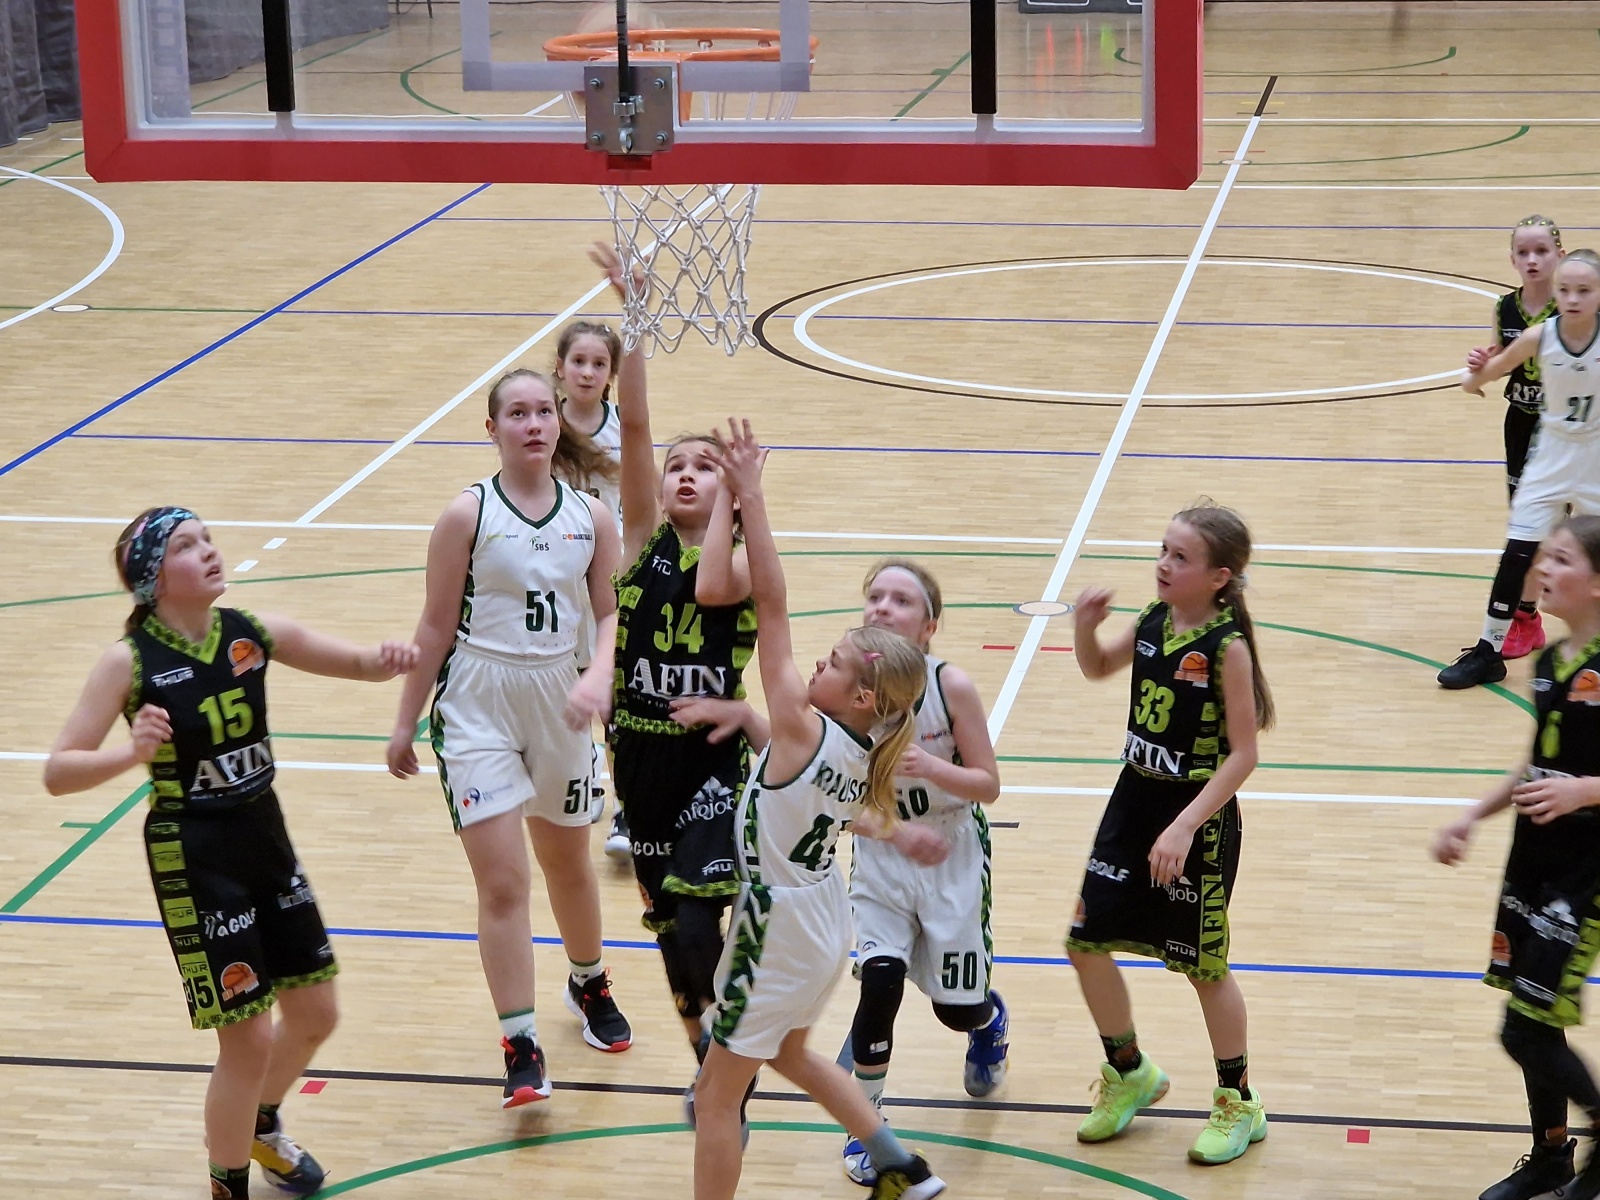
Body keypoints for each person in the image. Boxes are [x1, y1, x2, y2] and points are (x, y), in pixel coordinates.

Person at [44, 507, 420, 1200]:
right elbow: (58, 772)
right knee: (246, 1041)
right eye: (187, 546)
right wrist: (130, 752)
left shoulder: (248, 632)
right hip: (195, 858)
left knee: (316, 1014)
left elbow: (357, 663)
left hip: (263, 837)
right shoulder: (129, 662)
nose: (210, 551)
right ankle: (228, 1183)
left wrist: (390, 658)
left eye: (208, 539)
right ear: (153, 579)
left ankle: (259, 1122)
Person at [688, 420, 950, 1200]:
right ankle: (901, 1166)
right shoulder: (860, 751)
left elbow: (770, 601)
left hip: (775, 924)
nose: (816, 664)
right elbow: (838, 811)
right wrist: (899, 832)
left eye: (831, 663)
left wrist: (751, 495)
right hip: (823, 920)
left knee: (716, 1097)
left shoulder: (802, 729)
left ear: (860, 696)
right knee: (794, 1056)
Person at [386, 367, 632, 1109]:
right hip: (478, 701)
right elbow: (434, 624)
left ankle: (589, 981)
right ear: (492, 429)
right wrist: (404, 720)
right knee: (502, 882)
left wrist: (599, 674)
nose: (533, 424)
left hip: (560, 695)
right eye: (517, 414)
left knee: (569, 864)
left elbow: (609, 613)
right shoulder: (466, 514)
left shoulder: (593, 516)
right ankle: (519, 1043)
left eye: (543, 412)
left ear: (559, 422)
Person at [590, 243, 759, 1064]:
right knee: (672, 937)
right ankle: (708, 1063)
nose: (687, 475)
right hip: (638, 759)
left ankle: (729, 1057)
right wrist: (634, 317)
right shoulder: (638, 543)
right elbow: (634, 426)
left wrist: (737, 497)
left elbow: (714, 586)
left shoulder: (744, 565)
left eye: (705, 469)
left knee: (697, 920)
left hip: (710, 761)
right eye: (677, 469)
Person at [1066, 500, 1275, 1165]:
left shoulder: (1227, 648)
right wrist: (1084, 628)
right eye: (1163, 550)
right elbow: (1098, 667)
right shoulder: (1154, 618)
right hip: (1133, 802)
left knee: (1204, 968)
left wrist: (1184, 827)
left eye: (1180, 557)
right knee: (1084, 941)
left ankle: (1239, 1100)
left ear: (1219, 577)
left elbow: (1244, 755)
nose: (1163, 564)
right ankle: (1129, 1071)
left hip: (1196, 819)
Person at [1432, 515, 1600, 1200]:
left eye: (1560, 560)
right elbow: (1536, 764)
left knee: (1525, 1029)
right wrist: (1472, 815)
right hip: (1533, 859)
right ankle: (1551, 1156)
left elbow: (1574, 781)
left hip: (1587, 875)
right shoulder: (1553, 662)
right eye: (1544, 558)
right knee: (1531, 1017)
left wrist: (1587, 790)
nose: (1542, 570)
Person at [840, 559, 1005, 1185]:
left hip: (951, 851)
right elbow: (832, 800)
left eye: (901, 600)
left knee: (955, 1011)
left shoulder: (950, 685)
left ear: (929, 626)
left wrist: (932, 768)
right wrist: (890, 830)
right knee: (879, 981)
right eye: (875, 596)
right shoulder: (844, 690)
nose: (883, 607)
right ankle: (869, 1130)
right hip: (883, 854)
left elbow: (988, 784)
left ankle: (988, 1020)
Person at [1443, 250, 1600, 689]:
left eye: (1584, 291)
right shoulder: (1540, 336)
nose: (1572, 299)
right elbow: (1480, 379)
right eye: (1564, 290)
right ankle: (1488, 651)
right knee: (1518, 551)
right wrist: (1474, 372)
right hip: (1552, 453)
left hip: (1596, 455)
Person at [1464, 215, 1564, 660]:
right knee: (1528, 526)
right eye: (1523, 252)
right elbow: (1500, 359)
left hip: (1565, 430)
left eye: (1541, 251)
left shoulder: (1574, 307)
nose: (1532, 260)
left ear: (1560, 255)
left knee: (1556, 528)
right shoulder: (1505, 307)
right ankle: (1526, 616)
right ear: (1512, 260)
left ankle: (1530, 613)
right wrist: (1480, 363)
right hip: (1521, 423)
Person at [551, 318, 630, 854]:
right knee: (567, 694)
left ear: (611, 374)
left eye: (598, 363)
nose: (587, 371)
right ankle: (585, 784)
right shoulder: (543, 424)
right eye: (578, 361)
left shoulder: (623, 428)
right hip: (555, 578)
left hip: (606, 578)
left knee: (615, 701)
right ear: (559, 368)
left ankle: (627, 809)